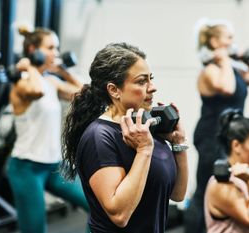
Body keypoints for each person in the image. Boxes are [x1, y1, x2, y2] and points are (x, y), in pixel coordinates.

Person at [62, 42, 189, 233]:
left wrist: (178, 144)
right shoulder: (99, 137)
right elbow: (119, 215)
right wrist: (144, 150)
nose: (152, 88)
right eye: (141, 81)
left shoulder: (143, 128)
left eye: (151, 79)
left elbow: (177, 195)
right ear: (114, 90)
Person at [184, 19, 249, 233]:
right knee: (206, 187)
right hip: (211, 135)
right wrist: (224, 62)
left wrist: (245, 61)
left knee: (226, 184)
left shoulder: (233, 69)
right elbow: (228, 89)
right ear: (214, 41)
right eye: (229, 38)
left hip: (231, 135)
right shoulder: (211, 70)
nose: (233, 42)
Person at [7, 27, 89, 233]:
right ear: (34, 49)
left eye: (57, 48)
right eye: (51, 48)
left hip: (54, 165)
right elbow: (36, 91)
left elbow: (85, 94)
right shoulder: (22, 83)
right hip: (27, 169)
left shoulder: (51, 81)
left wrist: (62, 71)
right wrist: (32, 66)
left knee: (99, 207)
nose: (56, 53)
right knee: (34, 229)